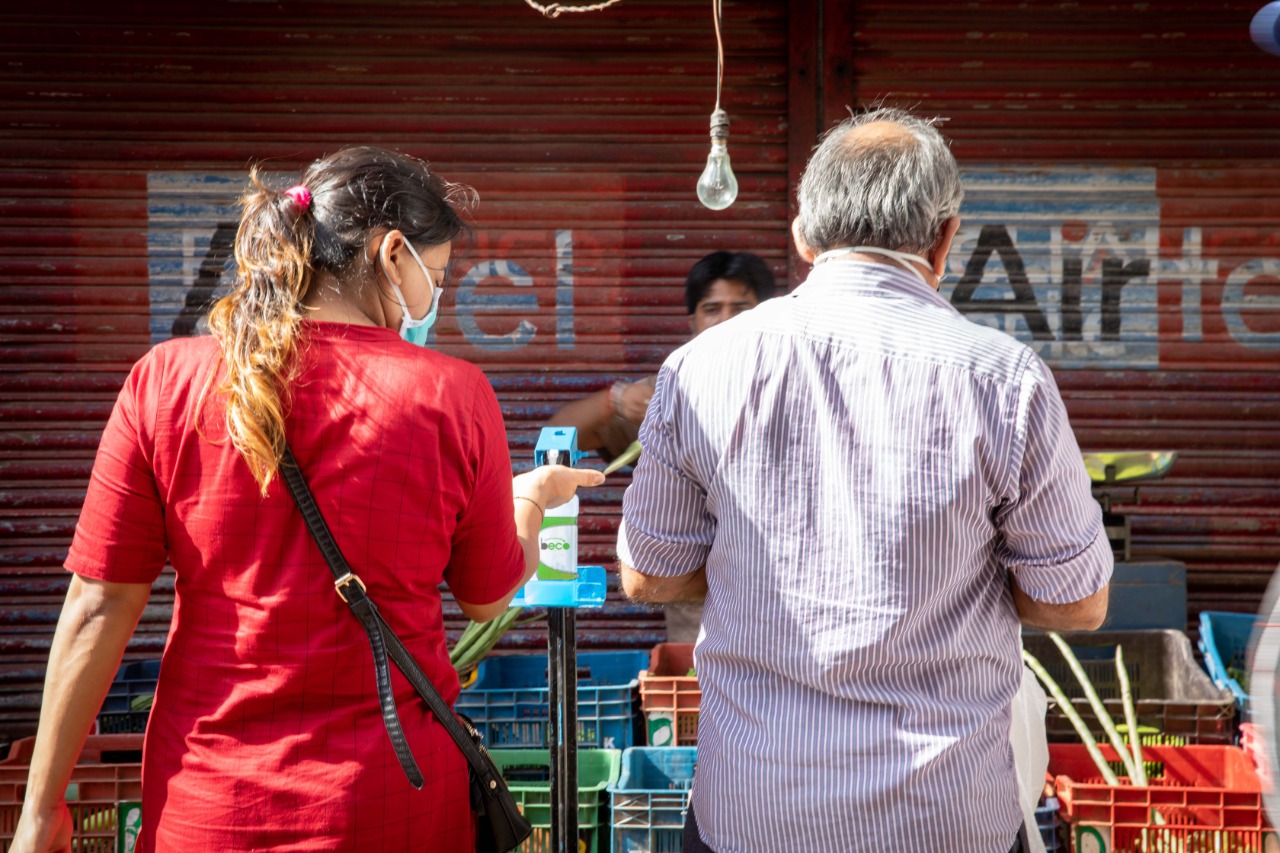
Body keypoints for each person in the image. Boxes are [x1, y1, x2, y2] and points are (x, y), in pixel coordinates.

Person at [11, 147, 603, 853]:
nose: (431, 298)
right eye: (435, 276)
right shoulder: (450, 394)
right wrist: (531, 499)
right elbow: (487, 596)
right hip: (391, 807)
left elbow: (96, 607)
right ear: (392, 255)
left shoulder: (164, 381)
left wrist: (39, 808)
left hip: (207, 808)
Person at [616, 107, 1112, 853]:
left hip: (756, 813)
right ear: (945, 238)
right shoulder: (1006, 378)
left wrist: (761, 572)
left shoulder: (701, 368)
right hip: (944, 819)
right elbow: (1075, 603)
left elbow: (650, 576)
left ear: (803, 237)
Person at [547, 251, 776, 643]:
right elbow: (556, 437)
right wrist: (616, 400)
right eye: (712, 309)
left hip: (782, 623)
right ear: (692, 322)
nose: (726, 321)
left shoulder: (789, 388)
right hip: (697, 640)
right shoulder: (668, 397)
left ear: (767, 313)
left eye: (741, 308)